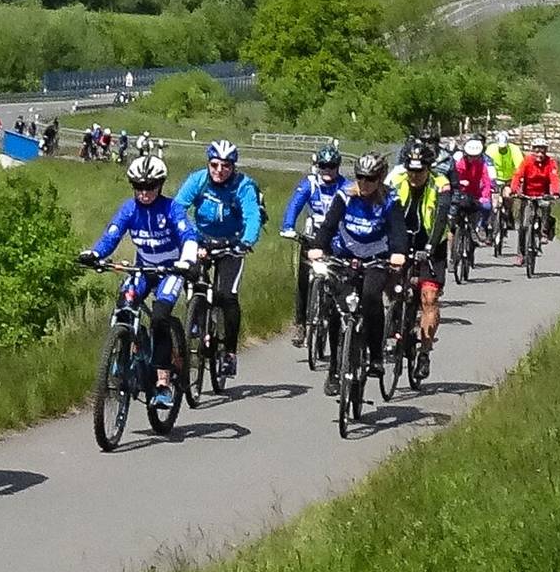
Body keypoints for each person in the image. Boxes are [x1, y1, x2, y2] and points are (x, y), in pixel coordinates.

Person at [76, 156, 200, 408]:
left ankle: (163, 382)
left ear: (160, 185)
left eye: (150, 187)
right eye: (138, 187)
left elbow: (188, 235)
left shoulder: (172, 208)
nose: (144, 193)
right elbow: (112, 233)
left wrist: (187, 260)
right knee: (124, 305)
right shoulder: (129, 209)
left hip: (171, 269)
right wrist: (96, 254)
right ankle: (128, 349)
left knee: (159, 317)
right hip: (142, 267)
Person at [308, 155, 407, 398]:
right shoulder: (345, 195)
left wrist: (399, 253)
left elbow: (398, 232)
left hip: (376, 259)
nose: (364, 183)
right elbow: (329, 225)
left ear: (380, 178)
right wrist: (318, 246)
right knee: (335, 308)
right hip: (345, 256)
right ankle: (333, 369)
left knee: (371, 297)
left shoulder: (390, 200)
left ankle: (375, 356)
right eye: (360, 177)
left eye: (370, 179)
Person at [173, 139, 263, 378]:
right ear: (208, 163)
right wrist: (188, 235)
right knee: (189, 275)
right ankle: (195, 317)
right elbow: (177, 208)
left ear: (233, 166)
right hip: (201, 239)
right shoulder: (198, 180)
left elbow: (252, 215)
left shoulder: (243, 186)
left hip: (231, 243)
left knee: (226, 296)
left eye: (225, 165)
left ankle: (230, 353)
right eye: (214, 164)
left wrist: (245, 242)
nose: (219, 170)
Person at [387, 140, 453, 375]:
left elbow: (441, 218)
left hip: (432, 244)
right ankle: (393, 325)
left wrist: (430, 246)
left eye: (420, 170)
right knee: (390, 286)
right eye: (411, 170)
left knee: (429, 298)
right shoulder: (395, 181)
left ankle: (424, 352)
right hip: (401, 241)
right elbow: (384, 211)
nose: (415, 175)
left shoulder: (440, 183)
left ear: (429, 168)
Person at [280, 146, 349, 348]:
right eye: (323, 166)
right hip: (311, 238)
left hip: (336, 240)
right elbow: (294, 205)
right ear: (317, 166)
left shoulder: (345, 186)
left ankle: (338, 316)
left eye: (332, 166)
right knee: (303, 281)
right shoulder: (310, 184)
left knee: (338, 281)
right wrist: (288, 227)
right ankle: (300, 324)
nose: (327, 170)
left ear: (338, 167)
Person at [449, 135, 494, 261]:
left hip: (475, 195)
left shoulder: (482, 165)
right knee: (453, 223)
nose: (473, 159)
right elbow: (453, 177)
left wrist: (485, 196)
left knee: (486, 206)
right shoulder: (459, 164)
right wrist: (458, 184)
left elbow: (486, 181)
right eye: (470, 156)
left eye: (476, 156)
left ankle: (479, 227)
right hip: (459, 194)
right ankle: (453, 254)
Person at [511, 139, 560, 242]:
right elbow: (518, 175)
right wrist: (514, 189)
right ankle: (521, 251)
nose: (539, 154)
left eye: (542, 151)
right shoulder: (527, 161)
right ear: (532, 151)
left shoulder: (550, 162)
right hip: (527, 195)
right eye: (536, 151)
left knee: (545, 207)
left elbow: (554, 178)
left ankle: (544, 233)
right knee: (524, 224)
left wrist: (556, 192)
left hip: (543, 194)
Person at [487, 130, 523, 231]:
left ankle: (509, 213)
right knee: (494, 200)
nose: (502, 149)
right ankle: (492, 219)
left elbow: (519, 166)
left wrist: (518, 178)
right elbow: (486, 164)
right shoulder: (491, 149)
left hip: (509, 177)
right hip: (495, 177)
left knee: (508, 197)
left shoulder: (514, 149)